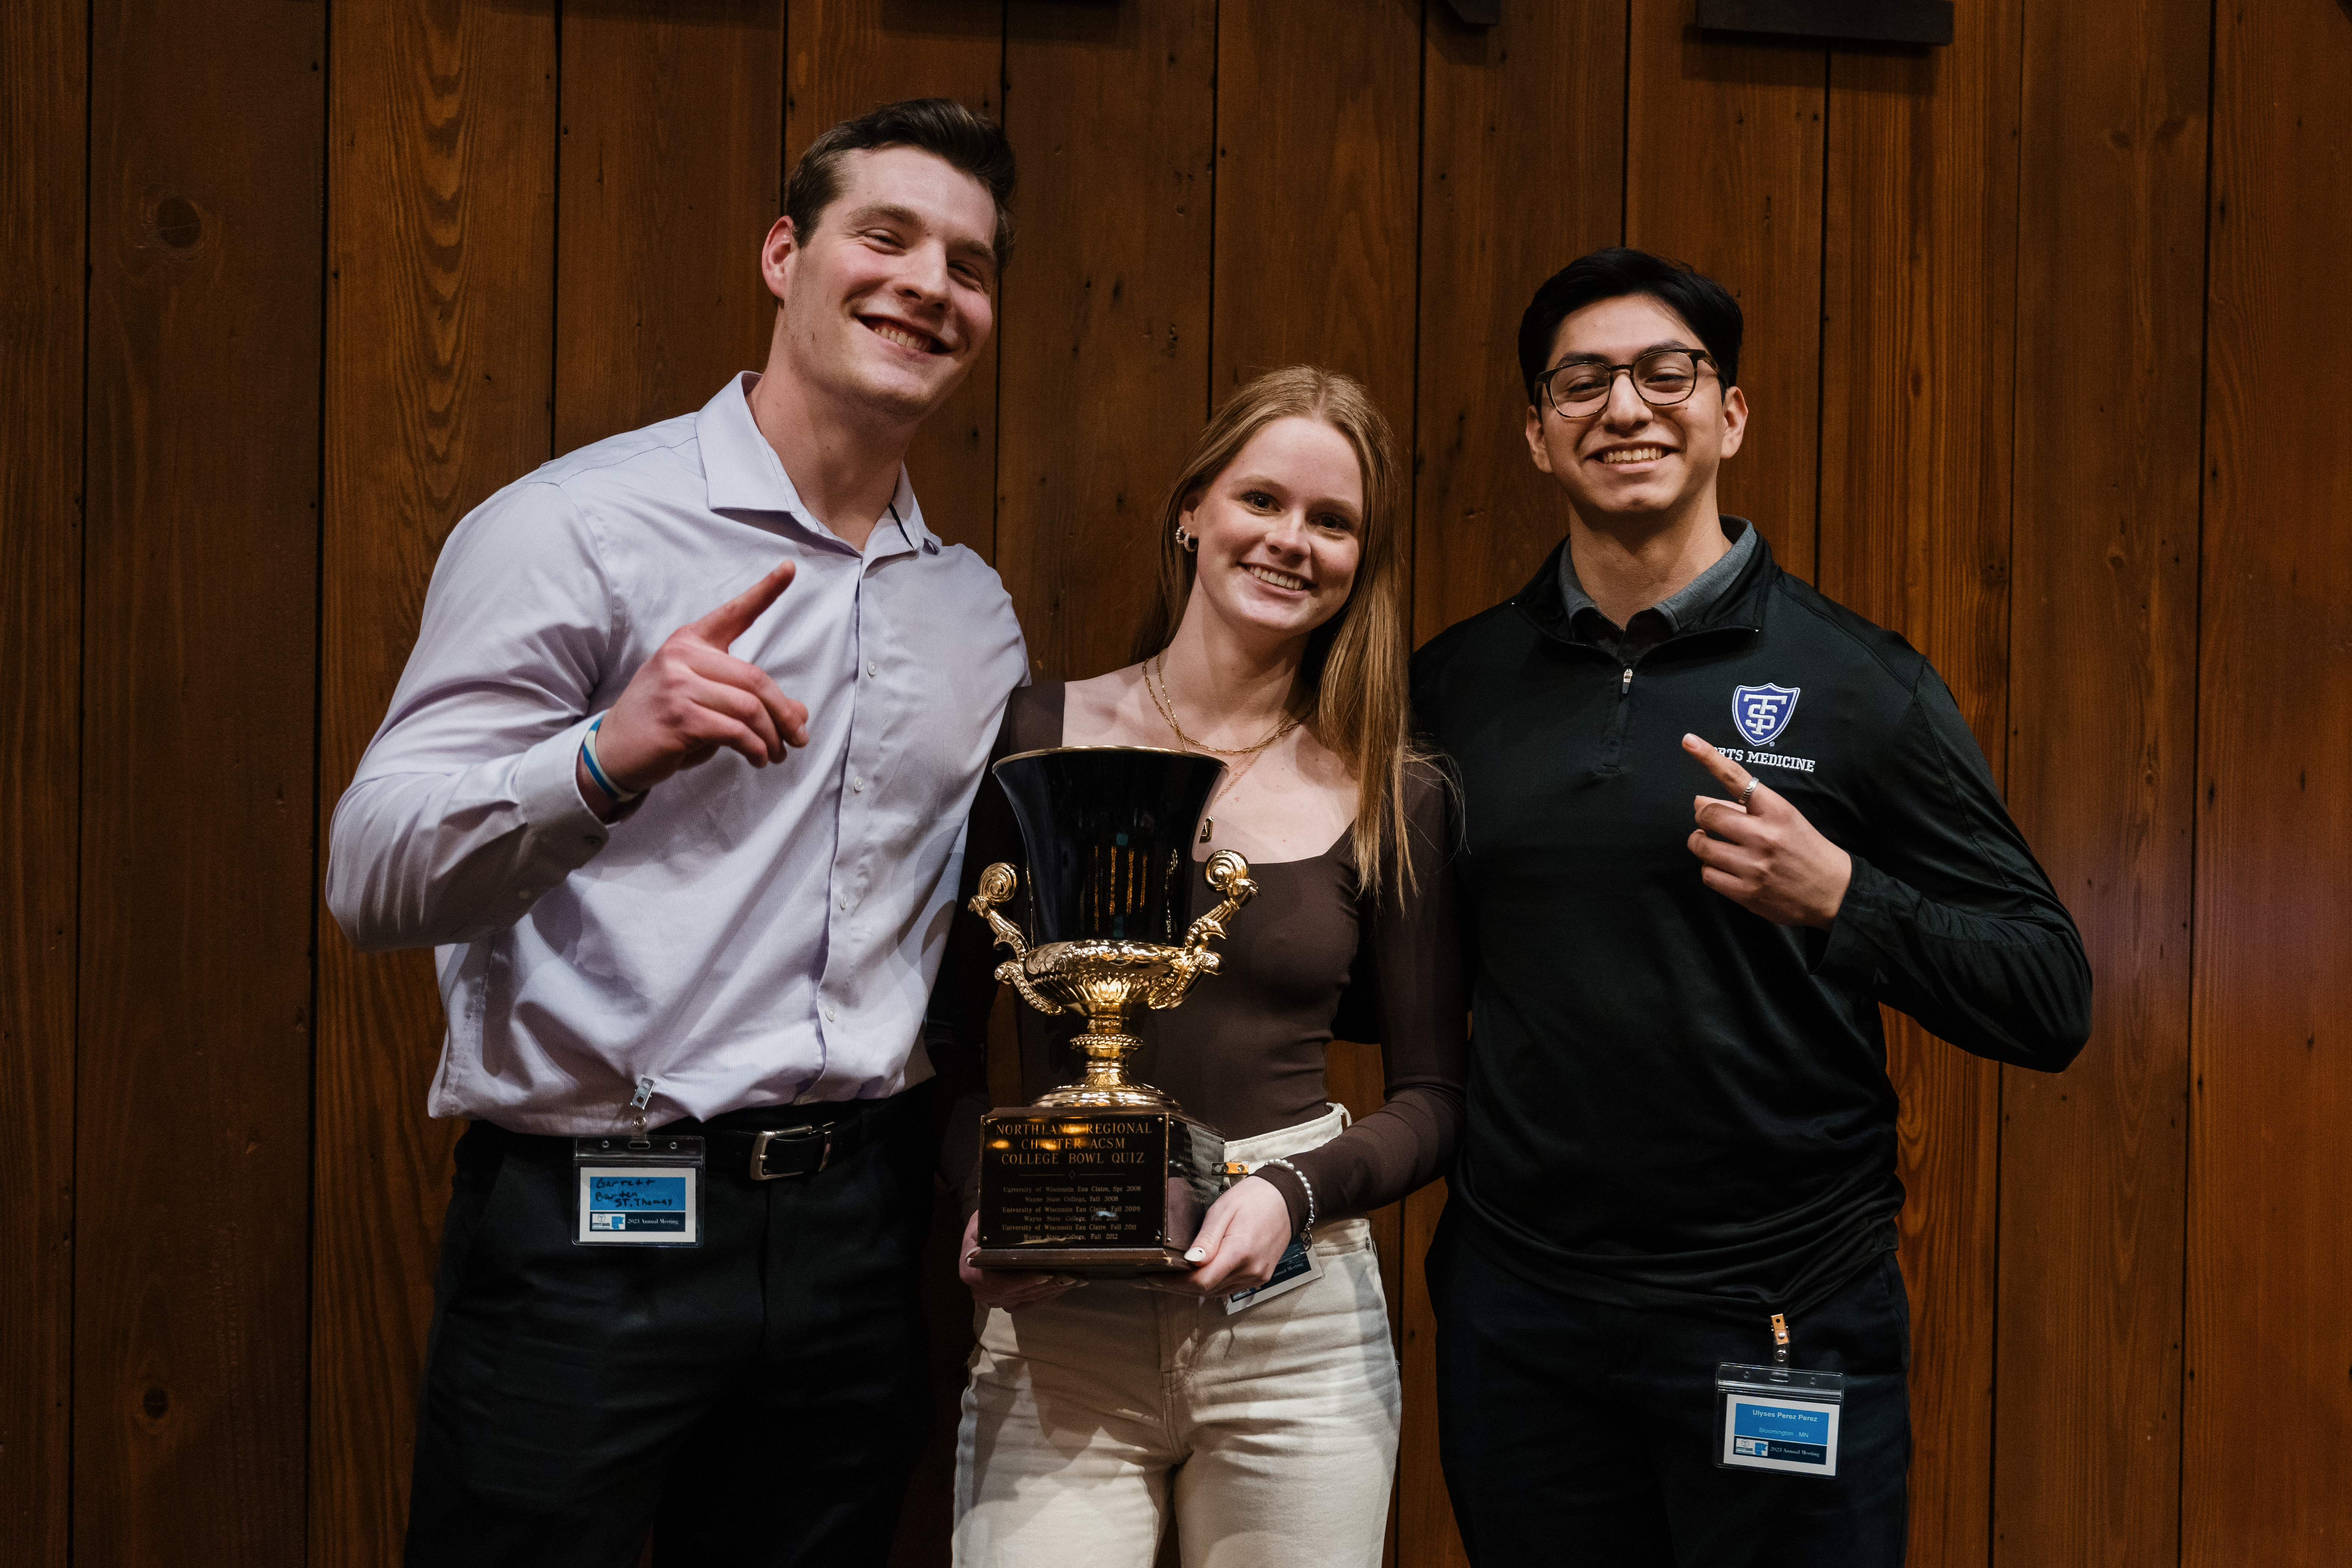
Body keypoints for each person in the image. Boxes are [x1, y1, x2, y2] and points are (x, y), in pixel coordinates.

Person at [324, 99, 1029, 1568]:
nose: (926, 283)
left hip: (855, 1236)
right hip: (594, 1227)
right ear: (784, 254)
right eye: (883, 236)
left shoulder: (971, 611)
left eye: (967, 264)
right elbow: (370, 872)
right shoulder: (577, 527)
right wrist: (602, 754)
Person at [1410, 248, 2093, 1566]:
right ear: (1536, 433)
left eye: (1669, 373)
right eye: (1583, 381)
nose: (1626, 407)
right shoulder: (1456, 685)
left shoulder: (1859, 687)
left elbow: (2048, 991)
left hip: (1779, 1308)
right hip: (1525, 1311)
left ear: (1729, 415)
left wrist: (1843, 894)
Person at [931, 367, 1467, 1567]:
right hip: (1059, 1315)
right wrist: (988, 1199)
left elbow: (1437, 1098)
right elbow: (950, 1038)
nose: (1292, 540)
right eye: (1262, 499)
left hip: (1297, 1320)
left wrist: (1295, 1192)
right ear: (1191, 509)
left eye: (1333, 522)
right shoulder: (1035, 733)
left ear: (1361, 560)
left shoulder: (1393, 789)